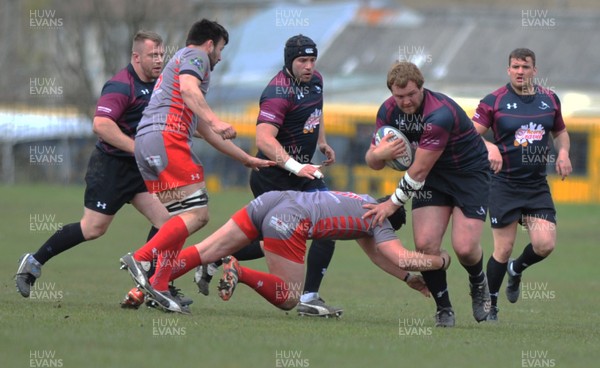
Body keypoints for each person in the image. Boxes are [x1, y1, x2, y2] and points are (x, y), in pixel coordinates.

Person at [118, 19, 274, 314]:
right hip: (167, 139)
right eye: (221, 49)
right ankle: (141, 258)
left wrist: (245, 158)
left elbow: (200, 123)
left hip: (147, 143)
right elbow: (191, 91)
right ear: (210, 44)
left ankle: (160, 286)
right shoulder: (196, 56)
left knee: (175, 222)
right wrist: (217, 120)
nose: (220, 57)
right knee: (198, 215)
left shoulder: (179, 63)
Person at [15, 30, 170, 298]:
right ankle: (33, 262)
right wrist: (139, 148)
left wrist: (210, 131)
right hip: (109, 168)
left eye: (160, 54)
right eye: (152, 55)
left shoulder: (159, 84)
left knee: (166, 222)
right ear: (136, 57)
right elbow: (101, 125)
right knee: (93, 228)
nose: (158, 60)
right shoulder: (121, 85)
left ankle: (148, 285)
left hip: (137, 169)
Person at [195, 34, 340, 317]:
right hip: (273, 177)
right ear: (289, 61)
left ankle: (309, 297)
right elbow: (264, 141)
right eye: (302, 61)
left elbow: (316, 113)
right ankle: (215, 256)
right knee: (272, 241)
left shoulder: (316, 81)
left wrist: (321, 142)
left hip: (302, 173)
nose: (309, 66)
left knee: (328, 224)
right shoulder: (277, 93)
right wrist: (298, 166)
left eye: (312, 60)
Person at [123, 191, 451, 315]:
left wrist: (408, 279)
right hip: (290, 221)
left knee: (206, 249)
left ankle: (144, 286)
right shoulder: (380, 222)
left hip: (272, 199)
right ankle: (240, 270)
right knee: (290, 298)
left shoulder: (364, 202)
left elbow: (378, 255)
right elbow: (400, 255)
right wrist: (441, 260)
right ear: (390, 222)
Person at [363, 61, 491, 327]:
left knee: (465, 249)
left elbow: (418, 171)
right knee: (425, 246)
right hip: (432, 180)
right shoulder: (387, 111)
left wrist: (391, 205)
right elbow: (373, 162)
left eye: (411, 94)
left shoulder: (438, 114)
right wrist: (378, 154)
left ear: (422, 87)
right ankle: (443, 307)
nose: (406, 101)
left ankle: (478, 282)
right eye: (399, 96)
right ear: (391, 93)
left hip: (468, 176)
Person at [472, 48, 572, 321]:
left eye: (525, 67)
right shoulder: (494, 101)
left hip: (536, 186)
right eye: (515, 66)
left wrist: (563, 153)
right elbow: (469, 135)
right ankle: (490, 304)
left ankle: (516, 269)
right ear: (508, 70)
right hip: (503, 184)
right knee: (502, 249)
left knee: (545, 245)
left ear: (534, 70)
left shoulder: (549, 99)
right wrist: (489, 145)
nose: (519, 71)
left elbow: (560, 133)